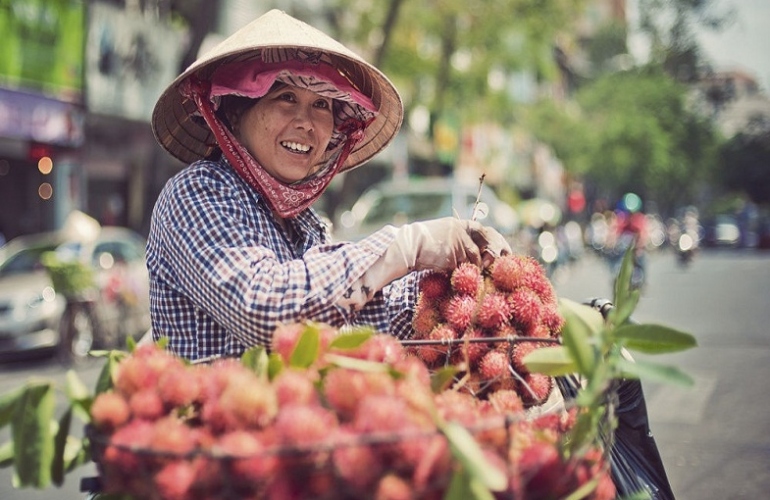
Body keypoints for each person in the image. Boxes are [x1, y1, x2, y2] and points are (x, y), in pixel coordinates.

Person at [147, 10, 511, 361]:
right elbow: (265, 313)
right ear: (236, 111)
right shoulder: (196, 193)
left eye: (321, 104)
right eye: (286, 97)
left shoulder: (304, 222)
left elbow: (360, 316)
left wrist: (459, 278)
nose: (306, 122)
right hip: (216, 420)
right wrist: (407, 245)